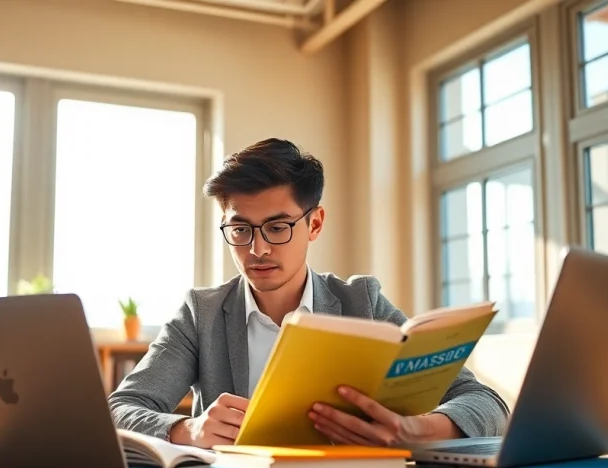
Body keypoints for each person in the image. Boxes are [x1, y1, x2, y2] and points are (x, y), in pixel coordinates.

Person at [107, 138, 510, 449]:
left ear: (314, 224)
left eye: (278, 227)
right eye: (240, 229)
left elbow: (486, 403)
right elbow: (118, 410)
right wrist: (186, 428)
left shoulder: (361, 303)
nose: (257, 249)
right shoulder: (202, 314)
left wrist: (418, 429)